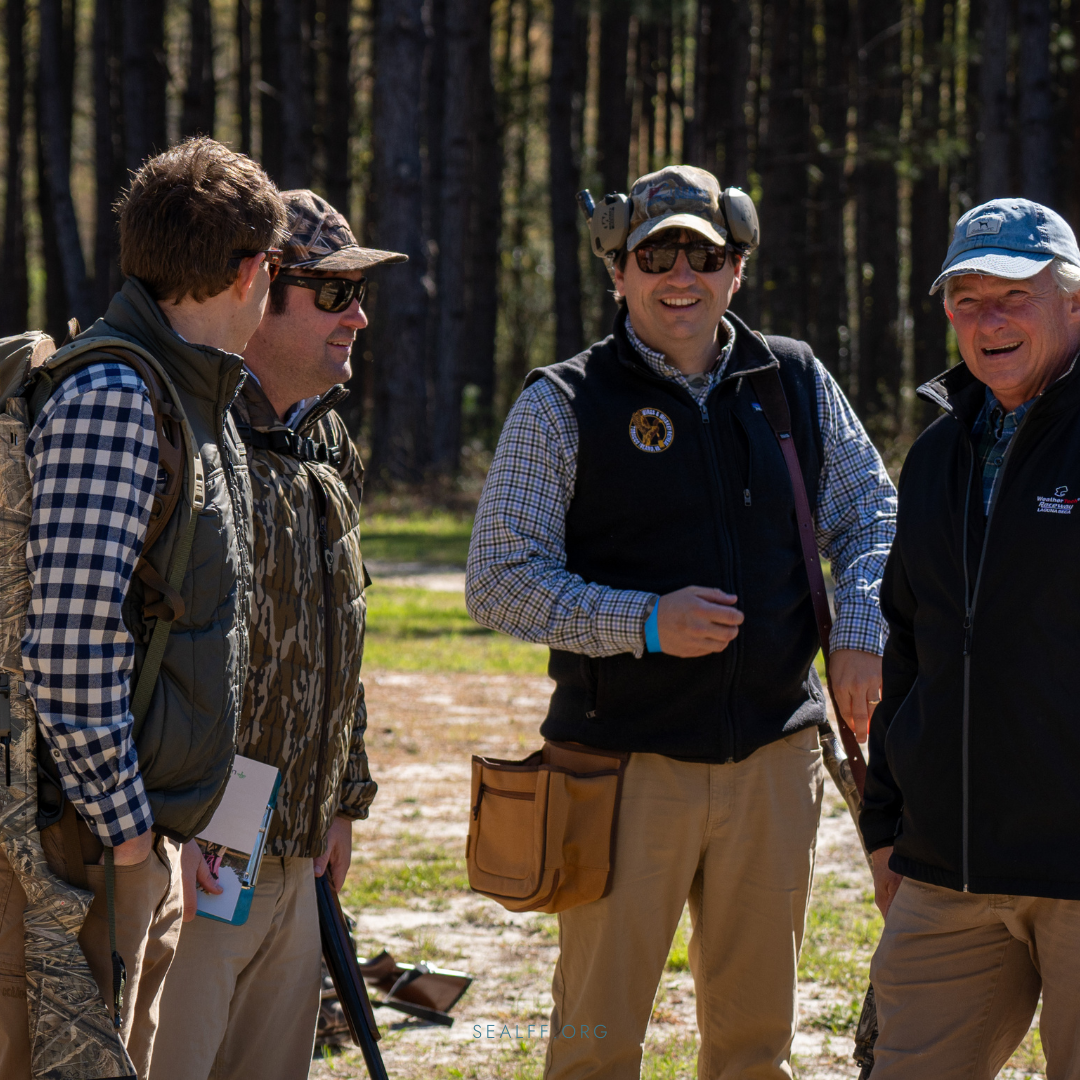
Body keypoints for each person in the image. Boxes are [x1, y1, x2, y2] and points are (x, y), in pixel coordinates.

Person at [466, 164, 896, 1080]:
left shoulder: (792, 379)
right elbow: (499, 579)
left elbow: (873, 516)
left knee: (753, 1046)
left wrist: (859, 628)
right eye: (655, 254)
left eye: (703, 254)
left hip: (773, 765)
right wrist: (645, 622)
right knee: (595, 1040)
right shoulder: (563, 400)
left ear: (736, 267)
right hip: (621, 766)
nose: (680, 276)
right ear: (616, 269)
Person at [0, 137, 286, 1077]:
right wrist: (126, 834)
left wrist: (180, 825)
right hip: (76, 844)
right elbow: (72, 644)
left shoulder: (192, 393)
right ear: (252, 270)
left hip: (130, 837)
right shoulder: (117, 394)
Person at [150, 190, 403, 1080]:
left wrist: (343, 797)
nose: (359, 317)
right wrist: (162, 836)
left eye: (359, 295)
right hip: (198, 836)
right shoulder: (178, 426)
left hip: (297, 834)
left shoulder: (327, 438)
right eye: (334, 294)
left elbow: (346, 633)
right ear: (260, 291)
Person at [860, 198, 1080, 1077]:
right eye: (966, 299)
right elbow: (907, 645)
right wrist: (886, 824)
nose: (987, 321)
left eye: (1013, 298)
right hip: (947, 871)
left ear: (1073, 303)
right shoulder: (940, 453)